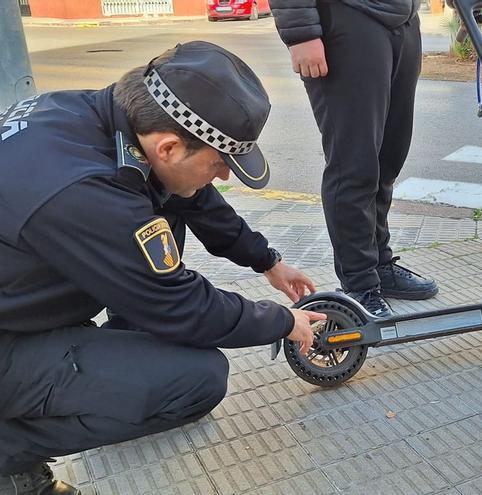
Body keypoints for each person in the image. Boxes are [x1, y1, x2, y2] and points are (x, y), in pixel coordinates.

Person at [0, 41, 326, 495]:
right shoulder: (83, 192)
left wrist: (267, 260)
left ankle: (122, 347)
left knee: (167, 202)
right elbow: (184, 306)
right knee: (196, 381)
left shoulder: (99, 117)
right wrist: (281, 321)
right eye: (219, 163)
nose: (224, 176)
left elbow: (187, 193)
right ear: (170, 146)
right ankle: (10, 454)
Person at [268, 0, 438, 318]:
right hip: (347, 18)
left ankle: (379, 265)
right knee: (354, 165)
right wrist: (301, 33)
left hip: (402, 20)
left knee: (389, 158)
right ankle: (359, 284)